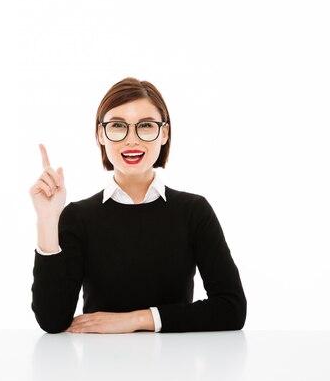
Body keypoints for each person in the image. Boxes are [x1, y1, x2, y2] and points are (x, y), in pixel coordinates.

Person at [28, 77, 247, 334]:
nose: (132, 140)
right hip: (97, 368)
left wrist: (135, 320)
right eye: (118, 126)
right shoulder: (78, 216)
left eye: (145, 126)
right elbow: (52, 321)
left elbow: (231, 309)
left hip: (174, 367)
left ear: (164, 133)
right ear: (101, 134)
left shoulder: (193, 211)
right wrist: (47, 219)